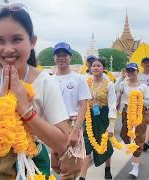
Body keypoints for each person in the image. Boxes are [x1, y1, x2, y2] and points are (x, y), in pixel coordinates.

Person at [0, 3, 70, 180]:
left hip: (34, 167)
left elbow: (62, 143)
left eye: (17, 39)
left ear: (32, 41)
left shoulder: (45, 82)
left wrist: (25, 109)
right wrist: (2, 106)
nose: (8, 49)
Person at [52, 42, 92, 179]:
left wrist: (75, 130)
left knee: (71, 169)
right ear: (54, 58)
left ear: (70, 58)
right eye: (58, 55)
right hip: (54, 125)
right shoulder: (50, 80)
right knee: (56, 166)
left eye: (64, 55)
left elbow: (83, 105)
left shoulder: (79, 79)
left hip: (71, 123)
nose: (61, 58)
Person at [79, 58, 117, 180]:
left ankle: (107, 168)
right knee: (86, 144)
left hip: (103, 116)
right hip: (89, 116)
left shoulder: (109, 84)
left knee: (105, 143)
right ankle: (82, 177)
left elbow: (112, 105)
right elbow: (82, 101)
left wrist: (111, 126)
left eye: (98, 65)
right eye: (93, 66)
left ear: (104, 68)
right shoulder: (86, 82)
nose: (95, 68)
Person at [116, 63, 149, 178]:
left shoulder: (143, 87)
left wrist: (138, 99)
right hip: (126, 112)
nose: (131, 73)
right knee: (124, 135)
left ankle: (135, 167)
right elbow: (114, 89)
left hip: (139, 113)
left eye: (133, 71)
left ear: (137, 72)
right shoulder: (123, 84)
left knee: (139, 138)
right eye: (128, 71)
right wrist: (121, 77)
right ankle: (135, 152)